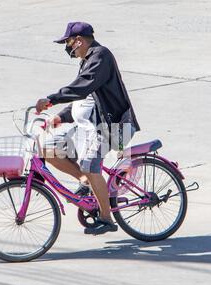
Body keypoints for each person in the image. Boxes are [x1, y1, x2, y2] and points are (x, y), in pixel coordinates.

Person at [36, 22, 140, 235]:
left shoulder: (100, 56)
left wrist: (51, 99)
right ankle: (87, 183)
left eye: (68, 42)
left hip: (113, 126)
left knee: (90, 165)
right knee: (48, 149)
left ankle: (106, 217)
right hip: (89, 128)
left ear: (79, 40)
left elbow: (83, 86)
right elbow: (85, 99)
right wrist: (60, 116)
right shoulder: (87, 60)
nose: (67, 47)